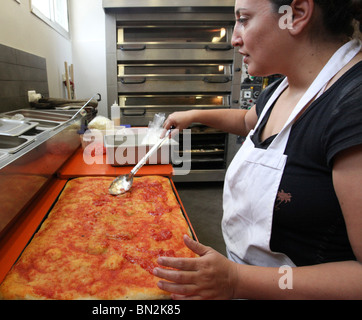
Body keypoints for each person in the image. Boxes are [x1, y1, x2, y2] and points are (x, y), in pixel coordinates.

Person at [154, 0, 362, 299]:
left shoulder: (352, 106)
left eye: (243, 19)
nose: (234, 37)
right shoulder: (282, 88)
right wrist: (195, 114)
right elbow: (246, 120)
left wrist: (237, 279)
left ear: (296, 14)